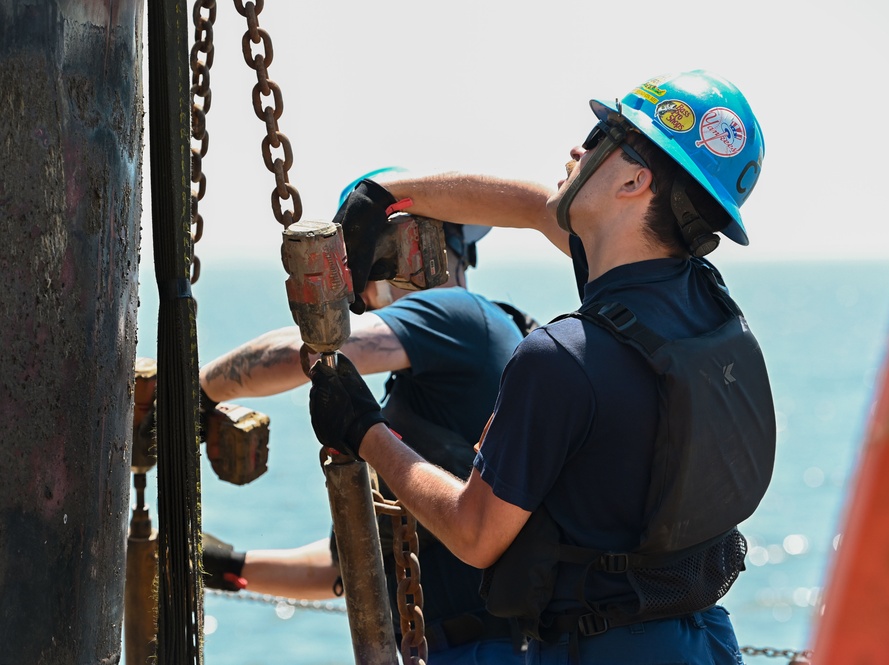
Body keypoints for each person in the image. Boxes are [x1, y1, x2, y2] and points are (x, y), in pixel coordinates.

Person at [308, 70, 777, 664]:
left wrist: (363, 429)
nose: (579, 149)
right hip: (701, 635)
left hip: (606, 650)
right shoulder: (702, 302)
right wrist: (389, 195)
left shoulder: (563, 359)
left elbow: (475, 534)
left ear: (635, 179)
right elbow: (536, 205)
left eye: (603, 135)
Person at [200, 170, 535, 664]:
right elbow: (350, 567)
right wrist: (224, 566)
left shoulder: (460, 315)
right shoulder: (434, 383)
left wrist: (196, 391)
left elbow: (307, 350)